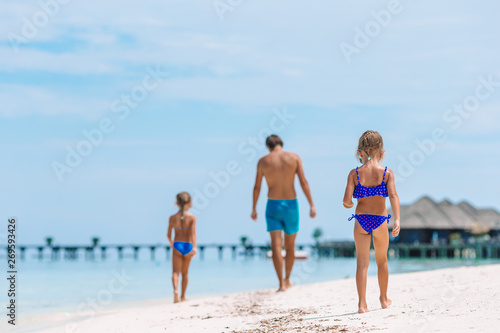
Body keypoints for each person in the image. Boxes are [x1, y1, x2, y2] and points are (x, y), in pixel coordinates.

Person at [342, 130, 401, 314]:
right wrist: (397, 218)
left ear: (360, 152)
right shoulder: (387, 173)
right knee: (382, 261)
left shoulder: (355, 174)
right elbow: (393, 195)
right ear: (382, 151)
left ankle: (362, 304)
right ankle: (383, 299)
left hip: (361, 221)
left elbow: (346, 201)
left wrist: (351, 202)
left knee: (361, 264)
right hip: (380, 221)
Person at [252, 135, 316, 292]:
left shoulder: (263, 161)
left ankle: (280, 283)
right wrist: (311, 205)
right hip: (291, 205)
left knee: (276, 247)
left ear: (268, 146)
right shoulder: (294, 157)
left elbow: (257, 187)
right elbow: (303, 182)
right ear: (281, 143)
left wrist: (254, 208)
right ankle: (288, 279)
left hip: (272, 205)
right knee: (290, 246)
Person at [167, 192, 197, 303]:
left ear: (177, 203)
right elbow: (193, 233)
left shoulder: (172, 217)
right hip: (188, 245)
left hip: (177, 244)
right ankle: (183, 296)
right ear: (189, 203)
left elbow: (168, 235)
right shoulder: (192, 217)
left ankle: (175, 291)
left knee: (175, 272)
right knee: (185, 273)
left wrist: (171, 243)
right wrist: (194, 247)